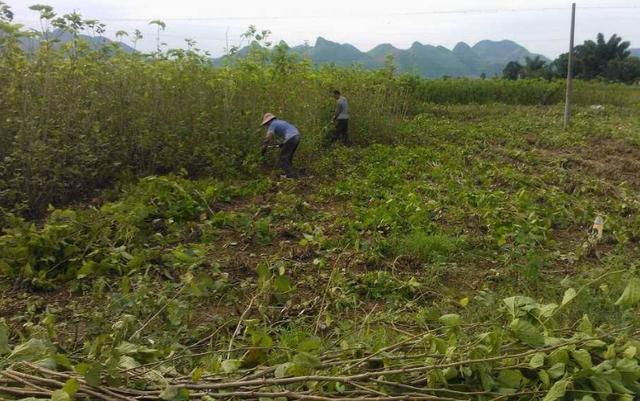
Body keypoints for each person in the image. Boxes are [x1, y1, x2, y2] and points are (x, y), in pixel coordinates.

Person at [260, 113, 300, 178]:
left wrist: (264, 146)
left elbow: (268, 137)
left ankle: (291, 176)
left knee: (283, 158)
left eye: (267, 123)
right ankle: (291, 174)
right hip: (297, 136)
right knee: (288, 158)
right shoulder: (281, 122)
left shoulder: (273, 124)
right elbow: (289, 131)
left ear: (269, 121)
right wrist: (283, 143)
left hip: (291, 138)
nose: (267, 125)